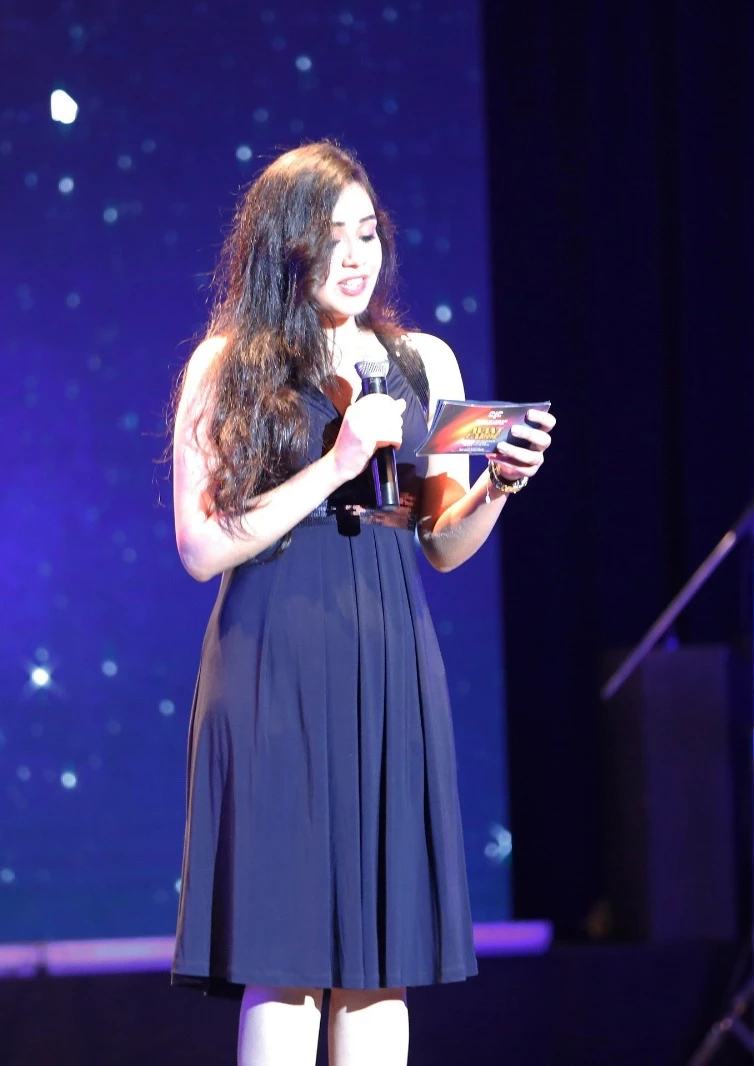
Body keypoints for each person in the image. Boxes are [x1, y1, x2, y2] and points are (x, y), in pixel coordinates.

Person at [167, 141, 555, 1066]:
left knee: (383, 960)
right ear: (285, 249)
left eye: (367, 232)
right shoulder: (228, 365)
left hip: (387, 657)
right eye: (330, 236)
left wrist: (497, 485)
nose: (355, 255)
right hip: (273, 663)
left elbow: (443, 545)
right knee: (287, 958)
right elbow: (201, 544)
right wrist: (337, 463)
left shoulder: (423, 363)